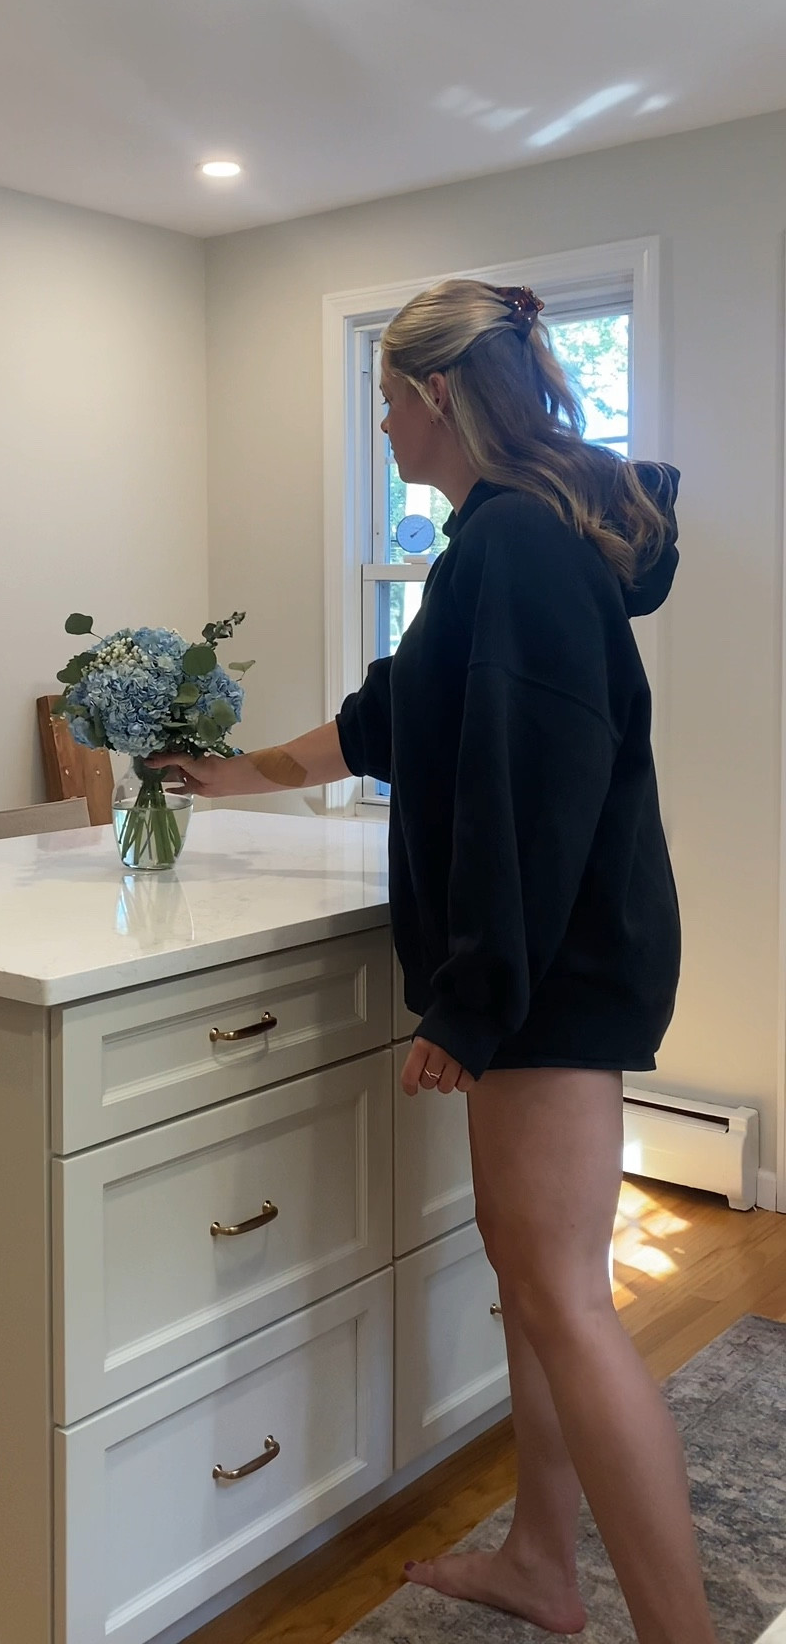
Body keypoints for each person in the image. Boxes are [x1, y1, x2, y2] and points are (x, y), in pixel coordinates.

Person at [154, 277, 716, 1644]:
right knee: (535, 1282)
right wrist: (230, 778)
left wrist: (473, 1002)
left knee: (566, 1299)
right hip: (571, 957)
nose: (383, 432)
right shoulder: (505, 546)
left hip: (555, 969)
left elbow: (533, 791)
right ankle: (540, 1555)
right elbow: (390, 718)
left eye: (386, 404)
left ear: (436, 396)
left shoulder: (515, 550)